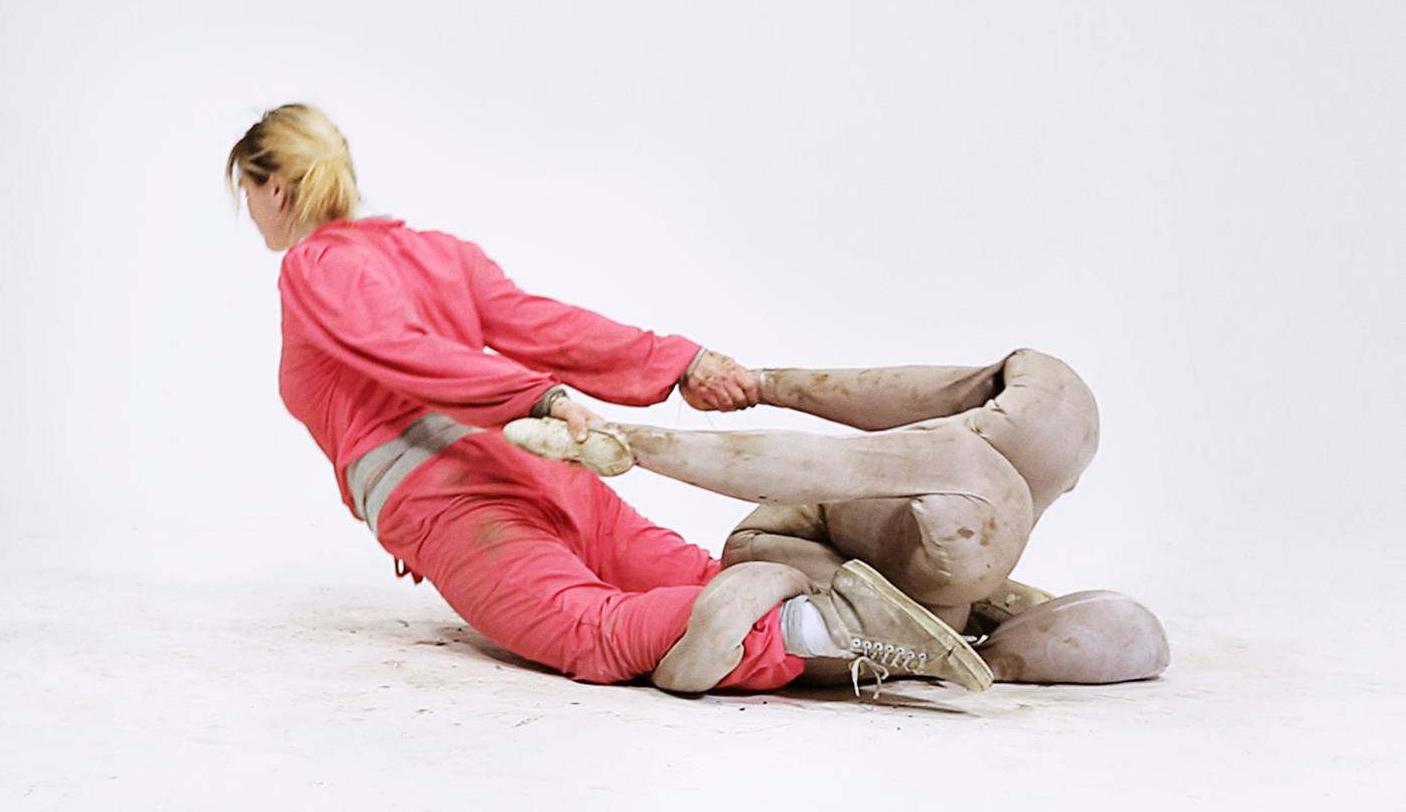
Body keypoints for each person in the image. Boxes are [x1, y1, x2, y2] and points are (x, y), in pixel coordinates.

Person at [225, 102, 996, 699]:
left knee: (594, 632)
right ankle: (935, 621)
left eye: (246, 193)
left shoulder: (314, 265)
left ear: (277, 187)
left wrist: (541, 398)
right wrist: (677, 360)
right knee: (698, 580)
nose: (251, 212)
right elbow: (542, 325)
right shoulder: (434, 251)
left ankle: (841, 627)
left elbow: (404, 352)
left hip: (458, 504)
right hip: (552, 476)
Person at [509, 351, 1171, 686]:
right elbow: (884, 414)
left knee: (759, 585)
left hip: (867, 582)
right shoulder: (1048, 421)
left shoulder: (979, 466)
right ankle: (939, 640)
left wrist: (632, 445)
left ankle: (919, 643)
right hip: (851, 564)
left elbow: (820, 464)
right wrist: (766, 385)